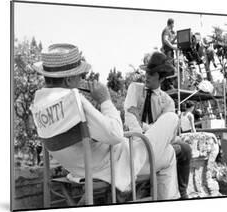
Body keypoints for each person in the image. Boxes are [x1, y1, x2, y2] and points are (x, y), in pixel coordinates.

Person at [30, 43, 179, 201]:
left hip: (79, 168)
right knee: (172, 122)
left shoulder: (39, 104)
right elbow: (115, 134)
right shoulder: (74, 101)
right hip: (114, 165)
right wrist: (105, 100)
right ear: (68, 80)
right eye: (80, 75)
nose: (82, 79)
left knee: (168, 152)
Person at [124, 51, 192, 199]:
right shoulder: (134, 88)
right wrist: (146, 131)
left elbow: (165, 132)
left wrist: (143, 125)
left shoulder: (167, 101)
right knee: (173, 151)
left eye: (152, 74)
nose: (147, 76)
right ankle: (151, 186)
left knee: (185, 149)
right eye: (147, 72)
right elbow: (130, 117)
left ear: (161, 78)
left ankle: (183, 192)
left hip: (158, 143)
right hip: (134, 141)